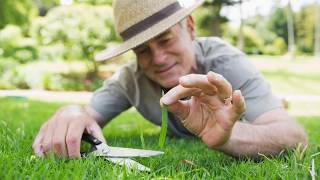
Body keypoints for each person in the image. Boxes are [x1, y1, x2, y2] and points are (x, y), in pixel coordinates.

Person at [32, 0, 307, 158]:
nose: (159, 58)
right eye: (142, 50)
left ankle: (275, 101)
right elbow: (86, 114)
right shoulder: (131, 79)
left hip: (246, 113)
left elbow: (296, 138)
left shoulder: (225, 63)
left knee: (266, 108)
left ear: (189, 27)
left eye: (165, 40)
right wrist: (70, 112)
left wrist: (230, 135)